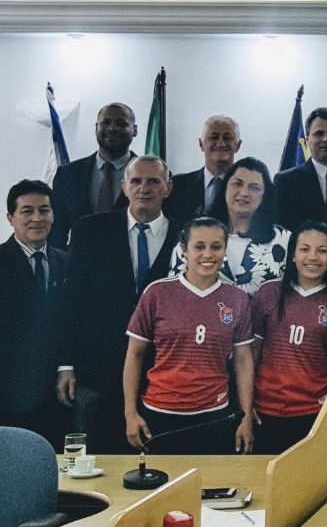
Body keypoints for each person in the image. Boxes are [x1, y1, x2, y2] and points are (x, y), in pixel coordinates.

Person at [58, 154, 179, 453]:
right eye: (136, 181)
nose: (144, 188)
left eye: (154, 181)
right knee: (88, 462)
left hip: (159, 372)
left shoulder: (186, 234)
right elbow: (71, 300)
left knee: (150, 463)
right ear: (124, 187)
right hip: (95, 371)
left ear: (168, 188)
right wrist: (65, 364)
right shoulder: (91, 230)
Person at [124, 216, 254, 454]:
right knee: (165, 489)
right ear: (184, 250)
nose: (208, 254)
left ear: (225, 250)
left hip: (214, 416)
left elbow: (244, 360)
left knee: (213, 488)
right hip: (161, 413)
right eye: (199, 247)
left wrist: (245, 416)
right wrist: (130, 413)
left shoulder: (237, 299)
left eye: (216, 247)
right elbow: (134, 354)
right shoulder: (157, 293)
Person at [252, 221, 327, 453]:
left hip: (315, 411)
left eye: (322, 251)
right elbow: (253, 352)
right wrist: (246, 403)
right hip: (266, 409)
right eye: (305, 249)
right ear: (292, 255)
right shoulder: (268, 292)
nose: (313, 257)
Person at [0, 180, 71, 447]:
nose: (37, 218)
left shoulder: (67, 261)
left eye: (44, 210)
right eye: (27, 211)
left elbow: (71, 321)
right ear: (11, 218)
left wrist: (66, 365)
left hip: (58, 392)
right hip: (10, 391)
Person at [181, 157, 290, 296]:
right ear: (225, 187)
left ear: (265, 195)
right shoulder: (193, 234)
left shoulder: (284, 240)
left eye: (254, 188)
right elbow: (177, 293)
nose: (244, 193)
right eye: (237, 184)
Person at [49, 102, 137, 248]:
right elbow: (57, 231)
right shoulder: (68, 174)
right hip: (79, 265)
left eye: (121, 123)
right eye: (106, 122)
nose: (112, 128)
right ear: (96, 128)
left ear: (134, 130)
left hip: (133, 267)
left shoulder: (152, 176)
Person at [275, 107, 327, 232]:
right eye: (319, 134)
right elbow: (282, 231)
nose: (326, 139)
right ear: (307, 140)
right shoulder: (285, 182)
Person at [165, 115, 243, 227]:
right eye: (214, 137)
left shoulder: (248, 189)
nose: (220, 143)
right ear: (201, 144)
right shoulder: (178, 186)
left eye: (227, 138)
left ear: (238, 145)